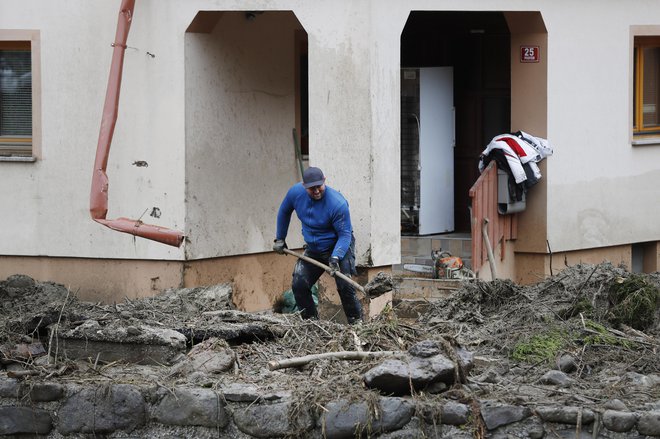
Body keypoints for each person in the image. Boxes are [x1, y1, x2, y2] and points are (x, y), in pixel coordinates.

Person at [273, 167, 363, 324]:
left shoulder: (337, 203)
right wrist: (280, 238)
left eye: (318, 186)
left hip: (338, 246)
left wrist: (336, 257)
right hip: (314, 248)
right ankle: (311, 324)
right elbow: (284, 211)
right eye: (311, 188)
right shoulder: (295, 193)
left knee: (345, 286)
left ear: (324, 181)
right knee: (299, 284)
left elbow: (345, 235)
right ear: (304, 186)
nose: (316, 191)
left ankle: (357, 325)